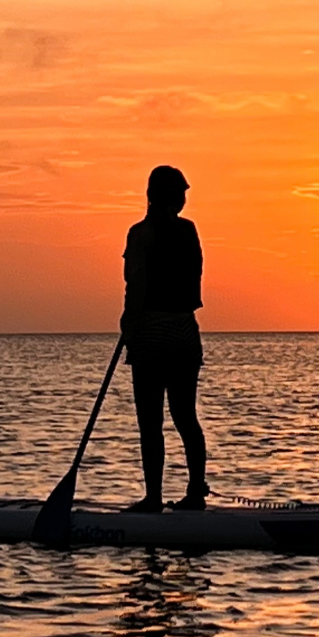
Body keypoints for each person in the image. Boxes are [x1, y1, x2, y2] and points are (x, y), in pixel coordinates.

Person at [120, 165, 209, 512]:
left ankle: (154, 499)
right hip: (186, 331)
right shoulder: (189, 232)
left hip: (154, 332)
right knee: (185, 415)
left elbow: (136, 284)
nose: (185, 200)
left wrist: (129, 323)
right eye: (181, 194)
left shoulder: (140, 233)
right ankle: (196, 492)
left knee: (151, 420)